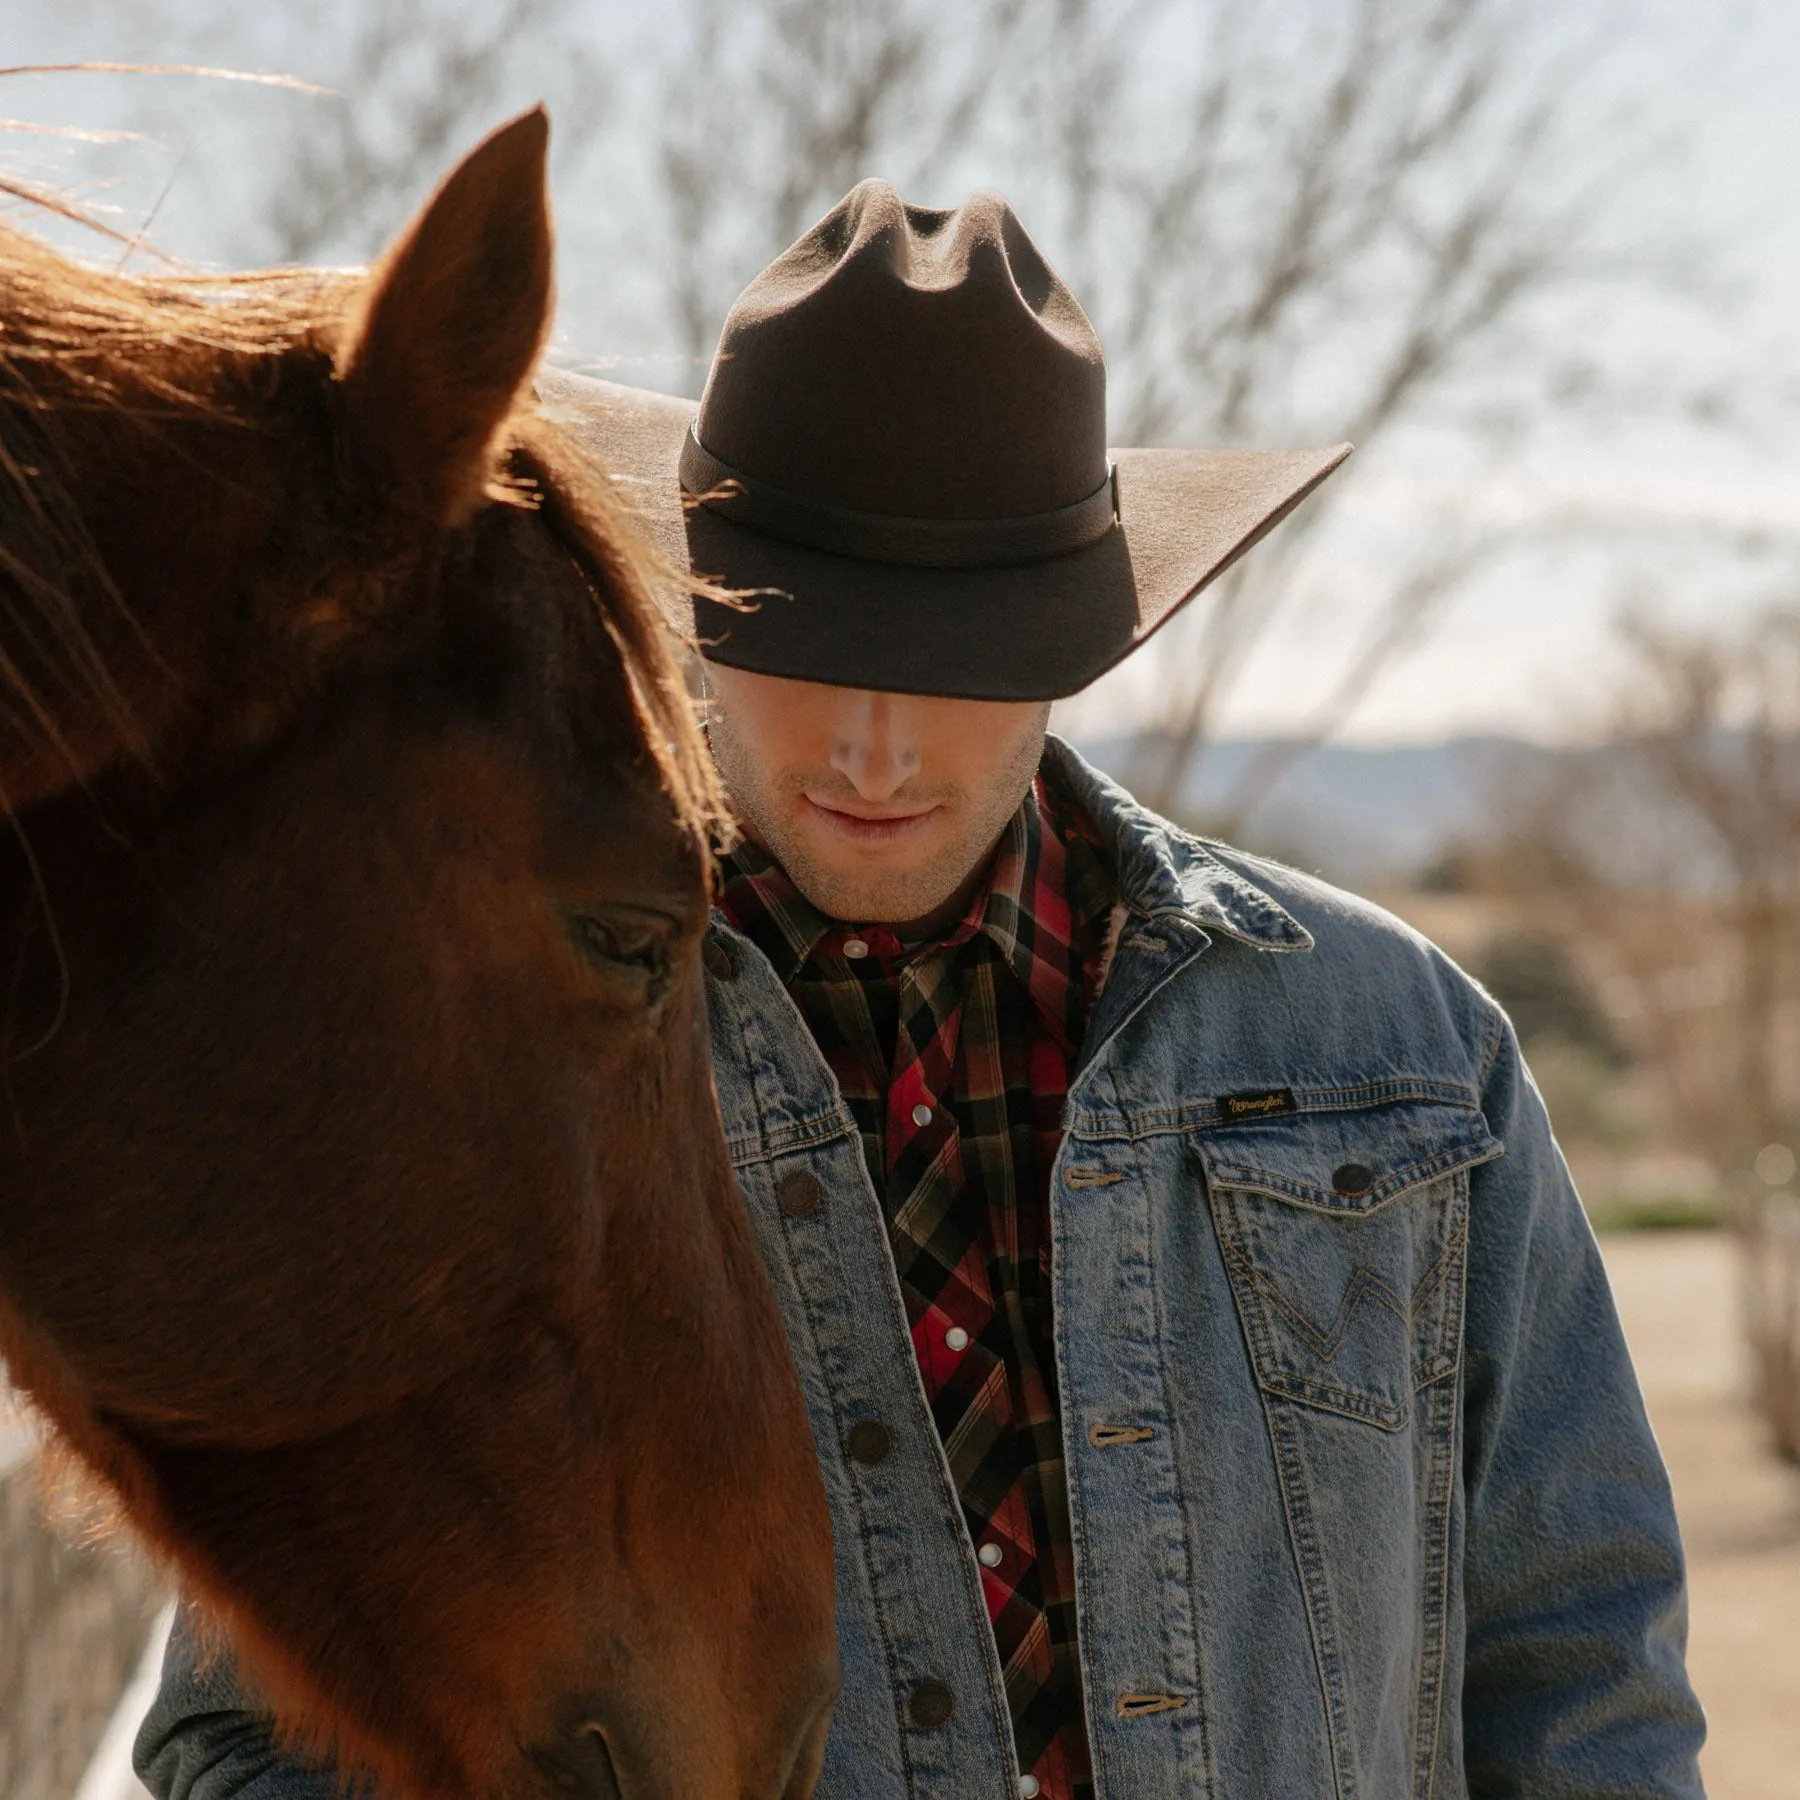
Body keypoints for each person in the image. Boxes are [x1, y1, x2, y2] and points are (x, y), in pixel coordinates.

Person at [139, 183, 1704, 1800]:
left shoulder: (1404, 1053)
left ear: (1079, 636)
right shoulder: (470, 1079)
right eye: (808, 640)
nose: (877, 745)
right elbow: (248, 1742)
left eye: (960, 656)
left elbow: (1582, 1672)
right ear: (690, 605)